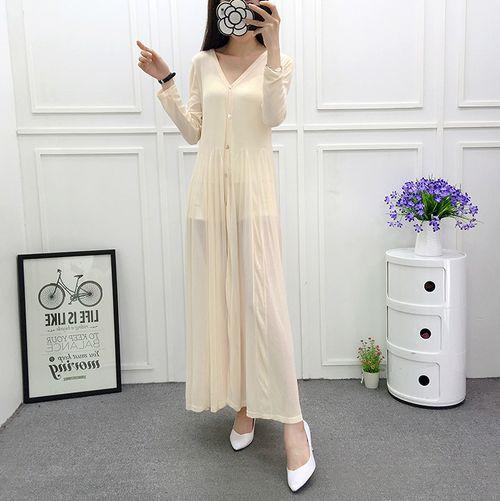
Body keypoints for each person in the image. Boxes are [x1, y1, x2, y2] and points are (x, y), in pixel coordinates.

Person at [136, 0, 316, 491]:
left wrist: (273, 47)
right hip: (208, 200)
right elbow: (194, 131)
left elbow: (274, 116)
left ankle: (294, 425)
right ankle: (244, 403)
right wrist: (166, 79)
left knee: (264, 308)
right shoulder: (203, 63)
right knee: (224, 305)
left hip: (254, 198)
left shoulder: (278, 61)